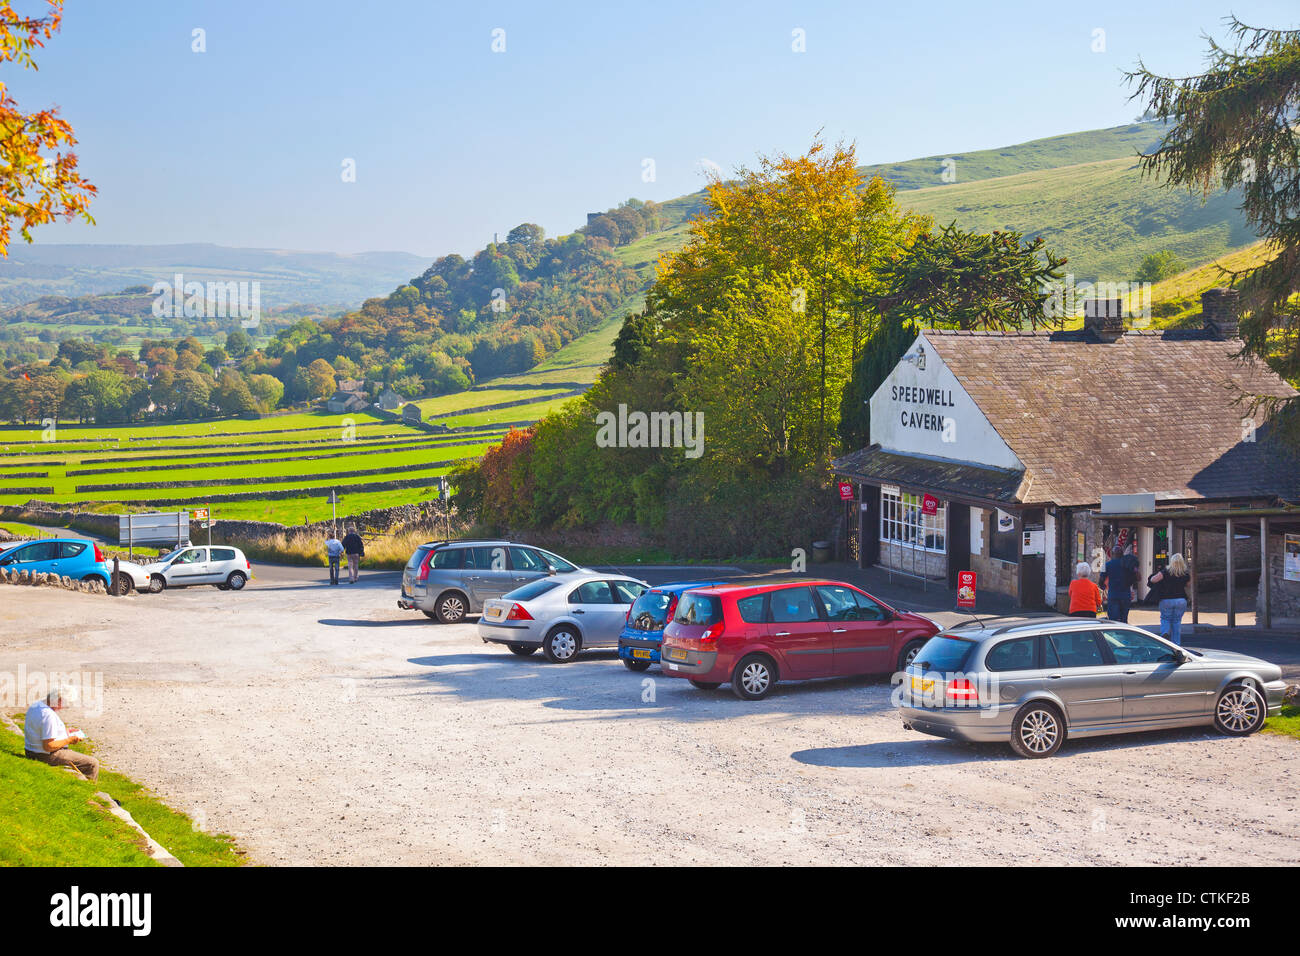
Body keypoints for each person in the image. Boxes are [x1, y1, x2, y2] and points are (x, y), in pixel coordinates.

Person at [24, 685, 98, 781]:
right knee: (92, 763)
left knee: (81, 760)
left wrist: (64, 731)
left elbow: (41, 729)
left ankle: (81, 782)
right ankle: (90, 791)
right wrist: (69, 740)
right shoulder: (48, 715)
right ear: (59, 700)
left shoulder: (37, 705)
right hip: (45, 755)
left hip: (31, 751)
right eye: (65, 704)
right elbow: (49, 746)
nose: (64, 707)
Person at [1148, 553, 1191, 645]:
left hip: (1166, 599)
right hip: (1181, 600)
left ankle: (1165, 634)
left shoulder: (1166, 572)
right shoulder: (1185, 573)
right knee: (1177, 621)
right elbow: (1188, 585)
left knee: (1165, 618)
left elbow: (1153, 580)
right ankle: (1176, 643)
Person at [1101, 546, 1134, 621]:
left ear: (1112, 554)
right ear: (1122, 554)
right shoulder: (1128, 565)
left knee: (1114, 620)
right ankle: (1124, 631)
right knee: (1124, 618)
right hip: (1125, 596)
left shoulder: (1106, 565)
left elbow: (1101, 579)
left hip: (1113, 595)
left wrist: (1103, 588)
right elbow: (1134, 578)